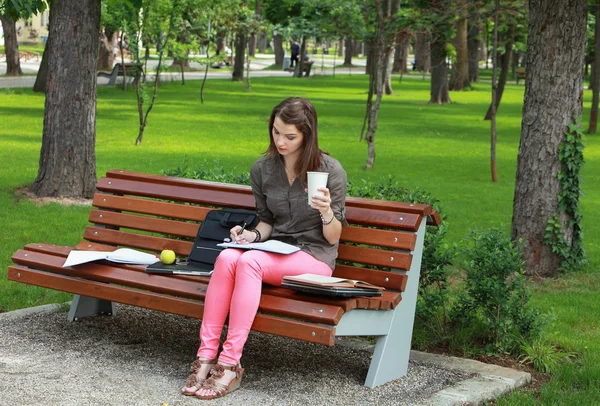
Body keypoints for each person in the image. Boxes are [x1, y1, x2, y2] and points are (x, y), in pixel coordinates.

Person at [181, 97, 348, 400]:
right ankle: (206, 357)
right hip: (275, 251)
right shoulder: (263, 169)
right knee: (229, 256)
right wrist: (249, 236)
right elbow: (267, 222)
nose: (281, 141)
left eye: (290, 136)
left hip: (314, 256)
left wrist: (326, 211)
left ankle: (230, 364)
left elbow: (333, 238)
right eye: (276, 132)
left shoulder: (330, 170)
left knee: (248, 263)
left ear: (307, 135)